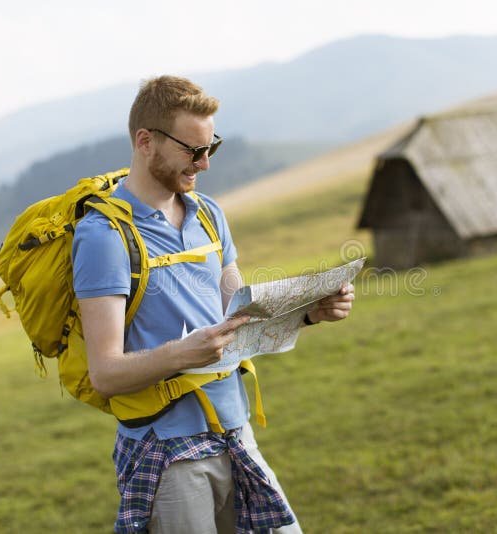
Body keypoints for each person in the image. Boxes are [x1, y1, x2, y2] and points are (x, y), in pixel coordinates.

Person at [71, 75, 356, 534]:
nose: (204, 164)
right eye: (192, 150)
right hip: (168, 452)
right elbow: (104, 373)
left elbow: (239, 316)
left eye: (211, 148)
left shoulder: (208, 214)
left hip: (235, 431)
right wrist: (185, 353)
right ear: (146, 141)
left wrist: (308, 312)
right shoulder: (103, 238)